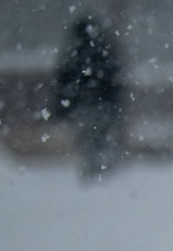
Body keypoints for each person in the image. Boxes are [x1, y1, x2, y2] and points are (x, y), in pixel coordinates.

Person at [53, 14, 123, 180]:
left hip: (86, 104)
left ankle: (94, 170)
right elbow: (115, 76)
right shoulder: (104, 48)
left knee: (90, 139)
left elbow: (64, 77)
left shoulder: (75, 50)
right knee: (102, 138)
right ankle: (104, 170)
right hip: (102, 104)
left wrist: (66, 103)